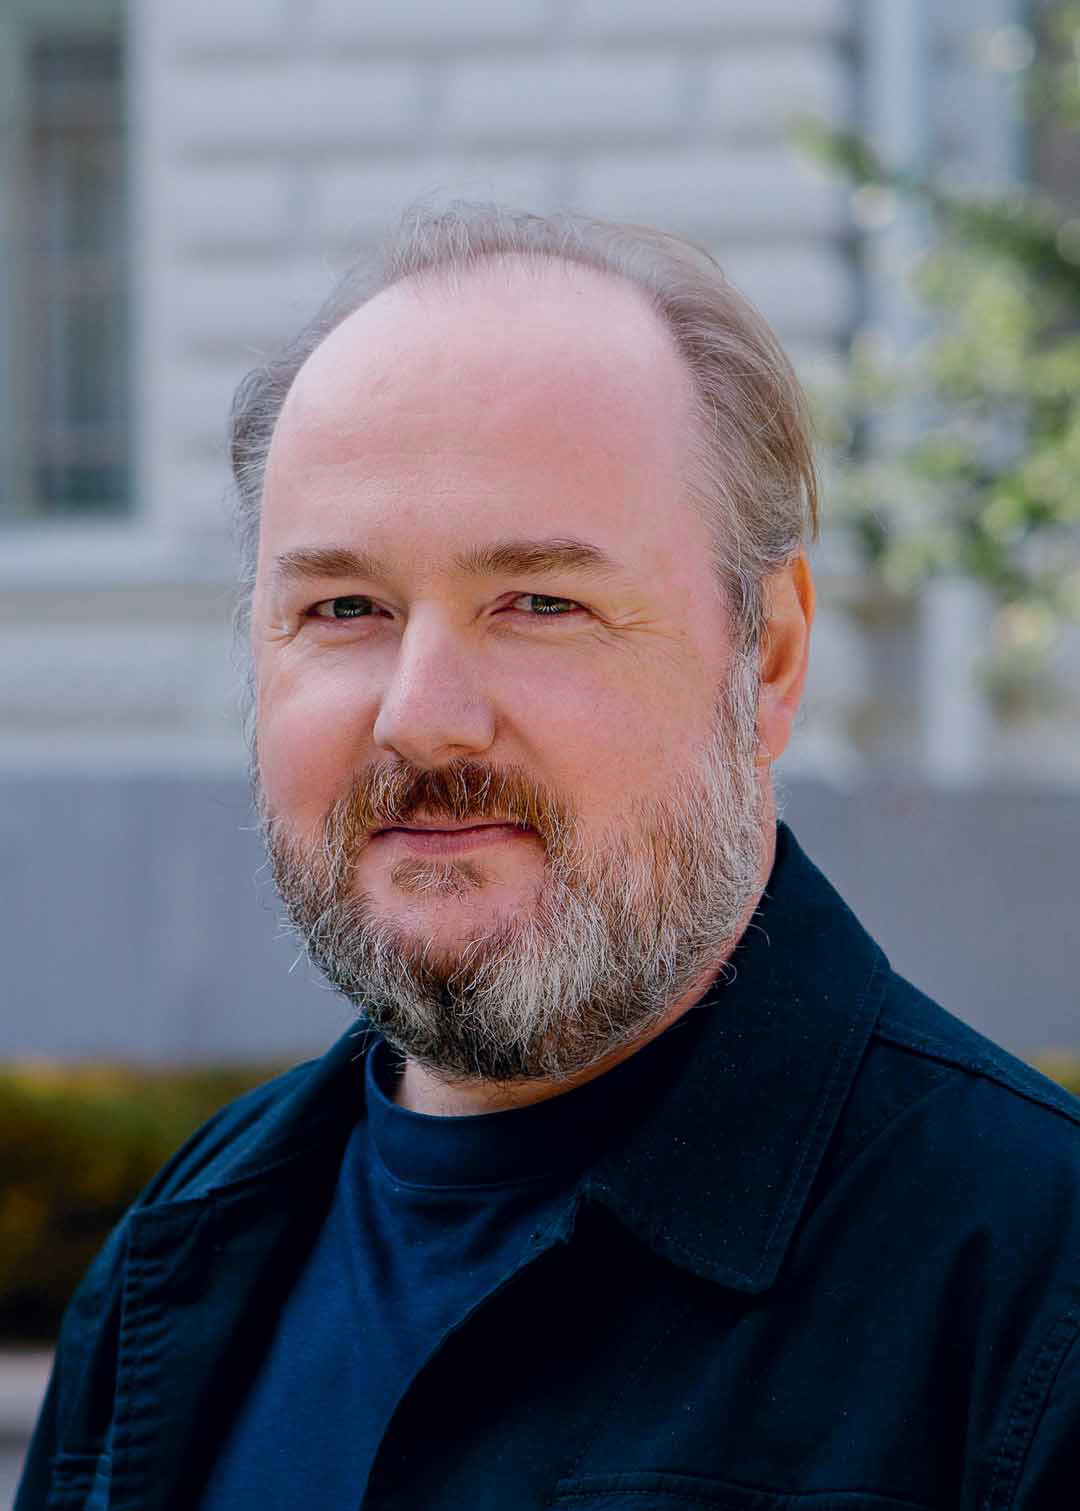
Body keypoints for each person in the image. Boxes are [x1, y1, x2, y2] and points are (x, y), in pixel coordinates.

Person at [17, 206, 1080, 1511]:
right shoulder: (170, 1273)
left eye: (539, 603)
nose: (421, 717)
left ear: (769, 657)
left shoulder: (1034, 1298)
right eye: (343, 607)